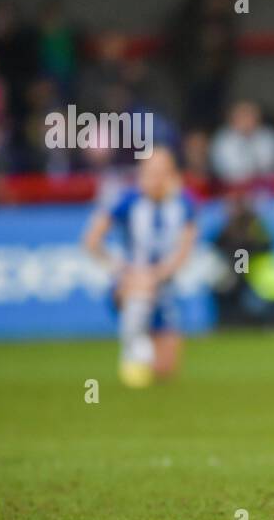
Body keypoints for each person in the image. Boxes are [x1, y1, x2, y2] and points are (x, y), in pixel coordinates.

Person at [83, 147, 198, 388]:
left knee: (165, 370)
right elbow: (92, 241)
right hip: (131, 285)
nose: (156, 179)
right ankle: (132, 350)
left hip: (164, 287)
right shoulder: (127, 201)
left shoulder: (184, 203)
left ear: (173, 174)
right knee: (140, 288)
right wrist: (123, 269)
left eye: (163, 172)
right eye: (151, 172)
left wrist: (158, 275)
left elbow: (185, 252)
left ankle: (144, 346)